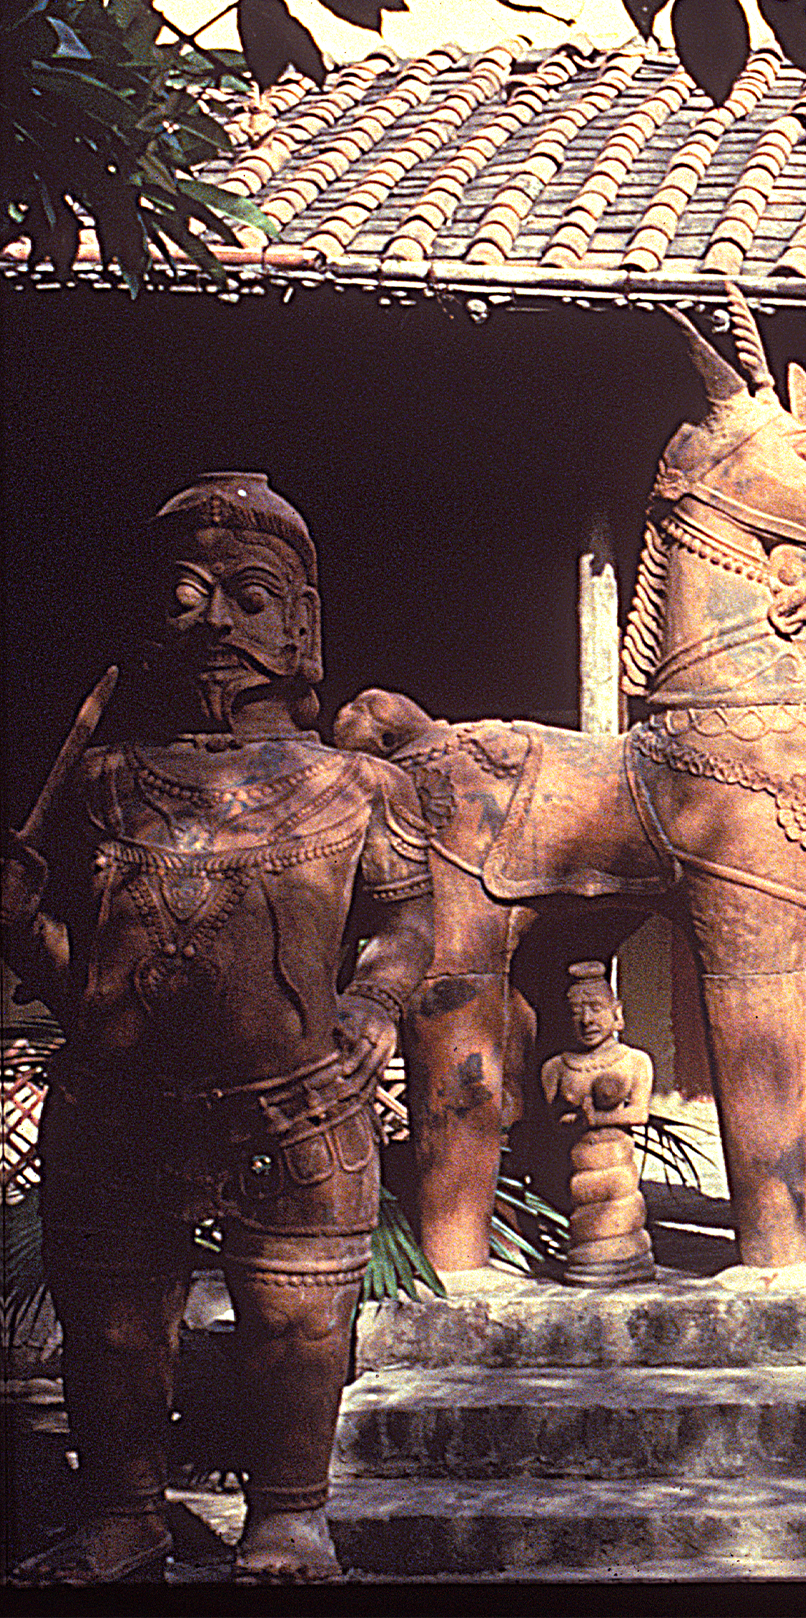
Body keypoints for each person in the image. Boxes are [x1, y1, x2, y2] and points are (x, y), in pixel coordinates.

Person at [3, 476, 432, 1584]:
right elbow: (80, 982)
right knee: (110, 1328)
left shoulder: (358, 787)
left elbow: (406, 918)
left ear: (302, 626)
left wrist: (375, 1001)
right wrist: (16, 930)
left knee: (295, 1329)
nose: (215, 622)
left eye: (249, 596)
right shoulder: (100, 788)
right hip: (116, 1104)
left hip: (298, 1105)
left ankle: (290, 1513)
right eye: (186, 594)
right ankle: (124, 1511)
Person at [537, 962, 656, 1288]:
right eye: (576, 1011)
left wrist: (599, 1118)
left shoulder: (635, 1061)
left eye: (595, 1009)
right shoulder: (556, 1067)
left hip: (618, 1165)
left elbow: (639, 1113)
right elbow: (555, 1121)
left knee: (621, 1214)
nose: (586, 1020)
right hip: (582, 1166)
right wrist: (576, 1120)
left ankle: (627, 1260)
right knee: (587, 1223)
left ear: (617, 1013)